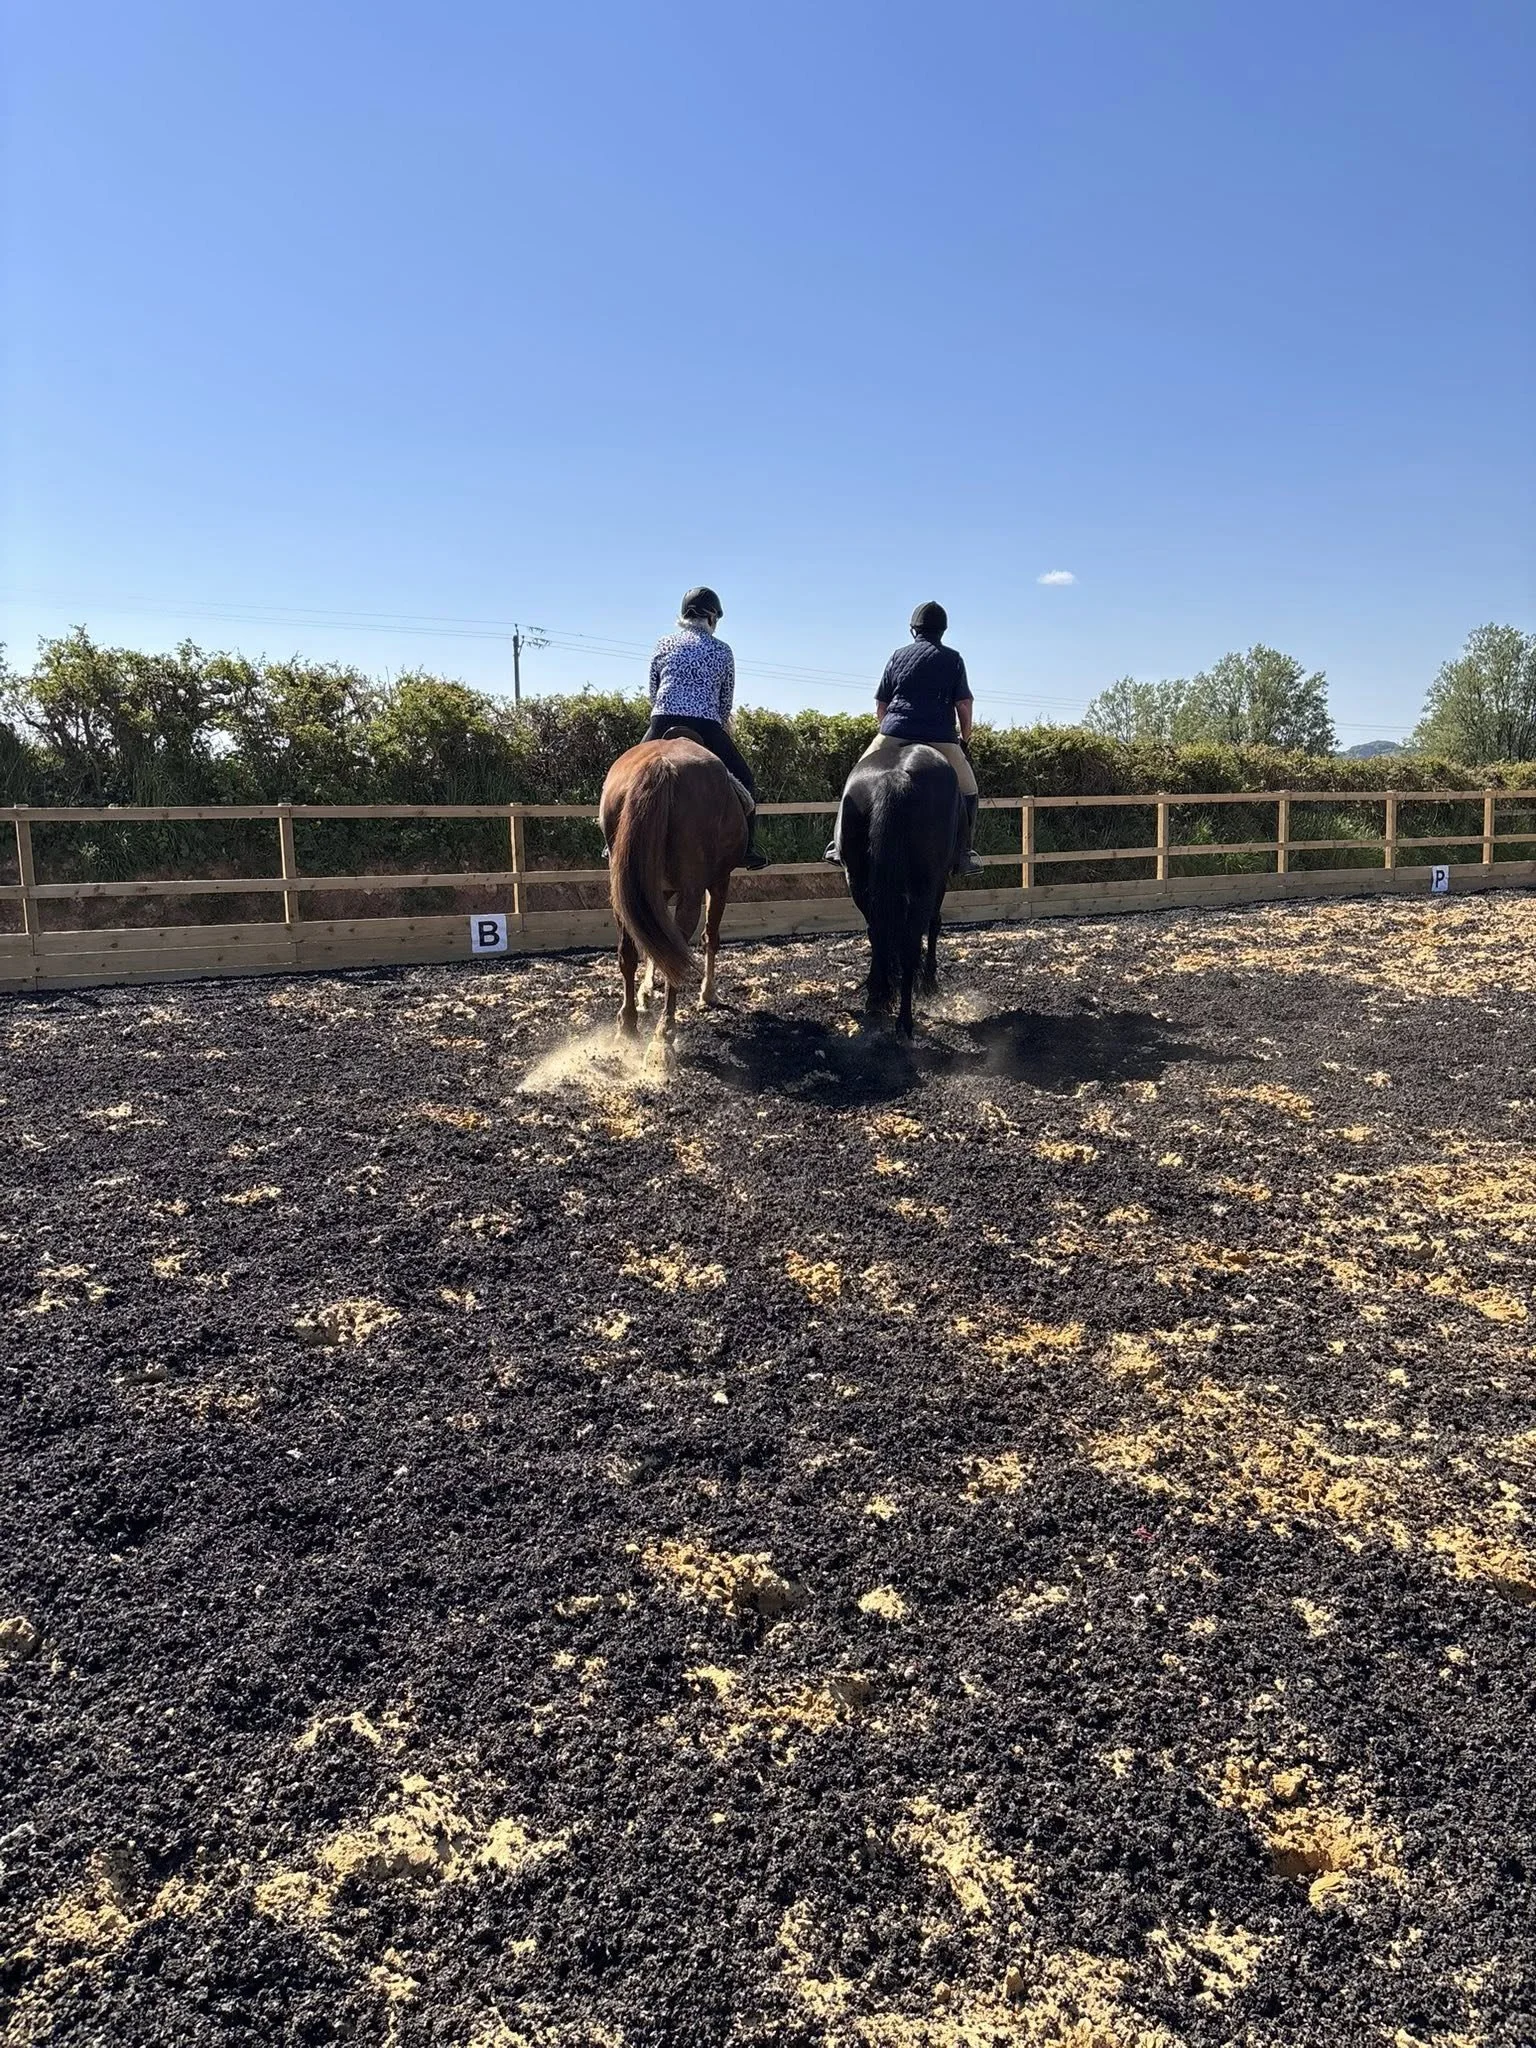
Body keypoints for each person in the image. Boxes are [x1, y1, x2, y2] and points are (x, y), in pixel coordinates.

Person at [824, 601, 984, 874]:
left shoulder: (898, 656)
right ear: (942, 630)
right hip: (939, 737)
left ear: (913, 630)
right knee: (969, 790)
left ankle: (838, 845)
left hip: (894, 731)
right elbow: (964, 705)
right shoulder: (953, 659)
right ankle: (963, 852)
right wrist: (964, 739)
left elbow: (881, 705)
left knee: (855, 777)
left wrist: (886, 729)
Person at [642, 586, 768, 869]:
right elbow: (725, 702)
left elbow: (653, 690)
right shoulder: (722, 650)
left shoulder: (663, 644)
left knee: (623, 774)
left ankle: (610, 839)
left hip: (662, 720)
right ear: (712, 617)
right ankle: (748, 848)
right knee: (745, 780)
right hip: (706, 726)